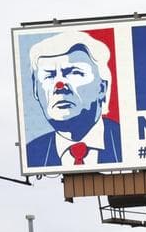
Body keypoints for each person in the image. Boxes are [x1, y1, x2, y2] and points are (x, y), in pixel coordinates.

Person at [25, 30, 122, 167]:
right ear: (35, 91)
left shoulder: (127, 142)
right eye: (49, 75)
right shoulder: (31, 154)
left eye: (73, 73)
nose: (59, 86)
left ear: (102, 88)